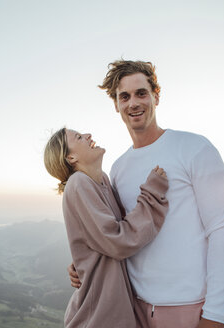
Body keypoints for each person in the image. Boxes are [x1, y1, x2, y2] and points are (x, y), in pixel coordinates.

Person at [67, 60, 224, 328]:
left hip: (187, 309)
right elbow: (119, 234)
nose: (133, 103)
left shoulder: (195, 148)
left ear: (156, 96)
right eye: (124, 96)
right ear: (117, 105)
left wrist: (215, 315)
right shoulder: (118, 168)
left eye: (141, 93)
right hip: (132, 310)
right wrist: (84, 264)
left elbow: (222, 231)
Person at [44, 127, 169, 327]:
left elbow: (99, 238)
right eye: (78, 137)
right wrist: (152, 194)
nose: (88, 136)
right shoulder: (78, 183)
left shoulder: (101, 180)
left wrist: (82, 262)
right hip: (98, 318)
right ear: (71, 158)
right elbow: (116, 241)